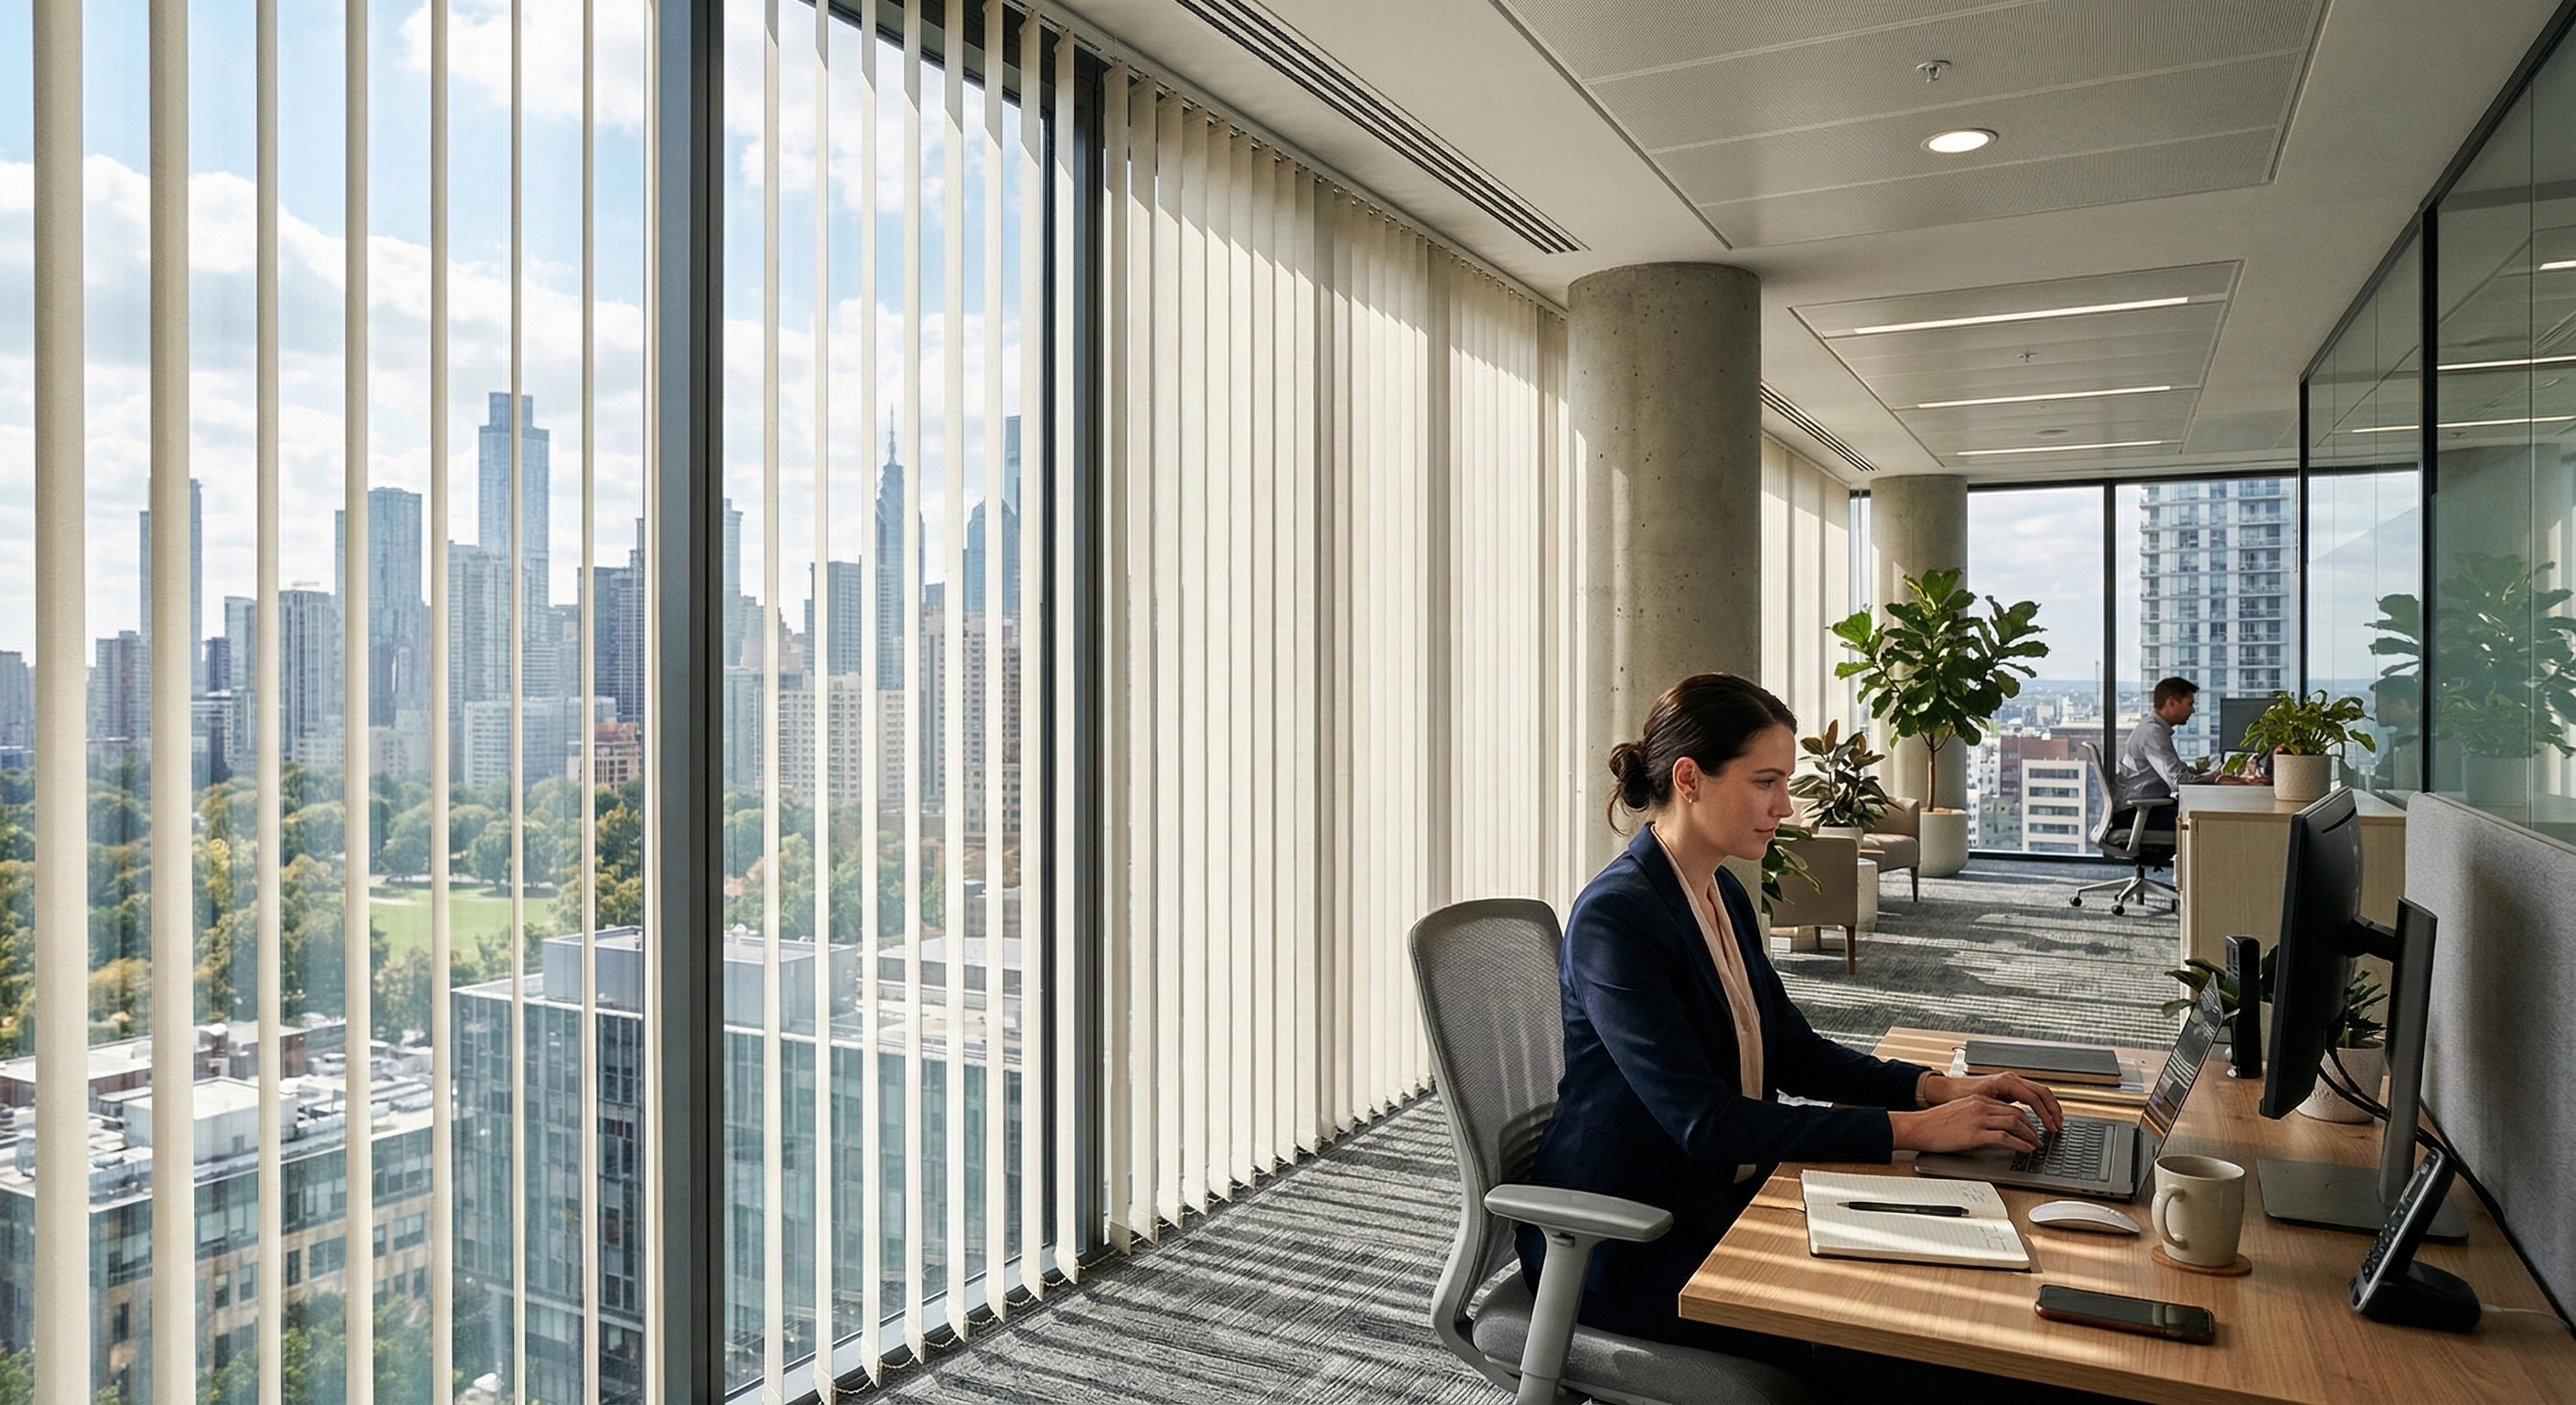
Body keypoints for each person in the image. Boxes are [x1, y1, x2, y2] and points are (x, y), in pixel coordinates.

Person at [1520, 672, 2065, 1385]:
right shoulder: (1617, 918)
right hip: (1629, 1241)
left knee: (1960, 1284)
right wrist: (1913, 1131)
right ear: (1690, 778)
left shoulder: (1720, 892)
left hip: (1722, 1203)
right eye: (1766, 781)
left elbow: (1792, 1050)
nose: (1785, 805)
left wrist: (1936, 1088)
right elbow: (1704, 1124)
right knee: (1914, 1346)